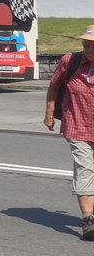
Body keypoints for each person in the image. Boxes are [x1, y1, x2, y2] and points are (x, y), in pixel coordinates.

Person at [43, 26, 94, 241]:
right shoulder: (69, 62)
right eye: (86, 45)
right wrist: (49, 113)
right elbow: (54, 86)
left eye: (93, 46)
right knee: (85, 170)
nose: (89, 49)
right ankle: (88, 219)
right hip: (78, 126)